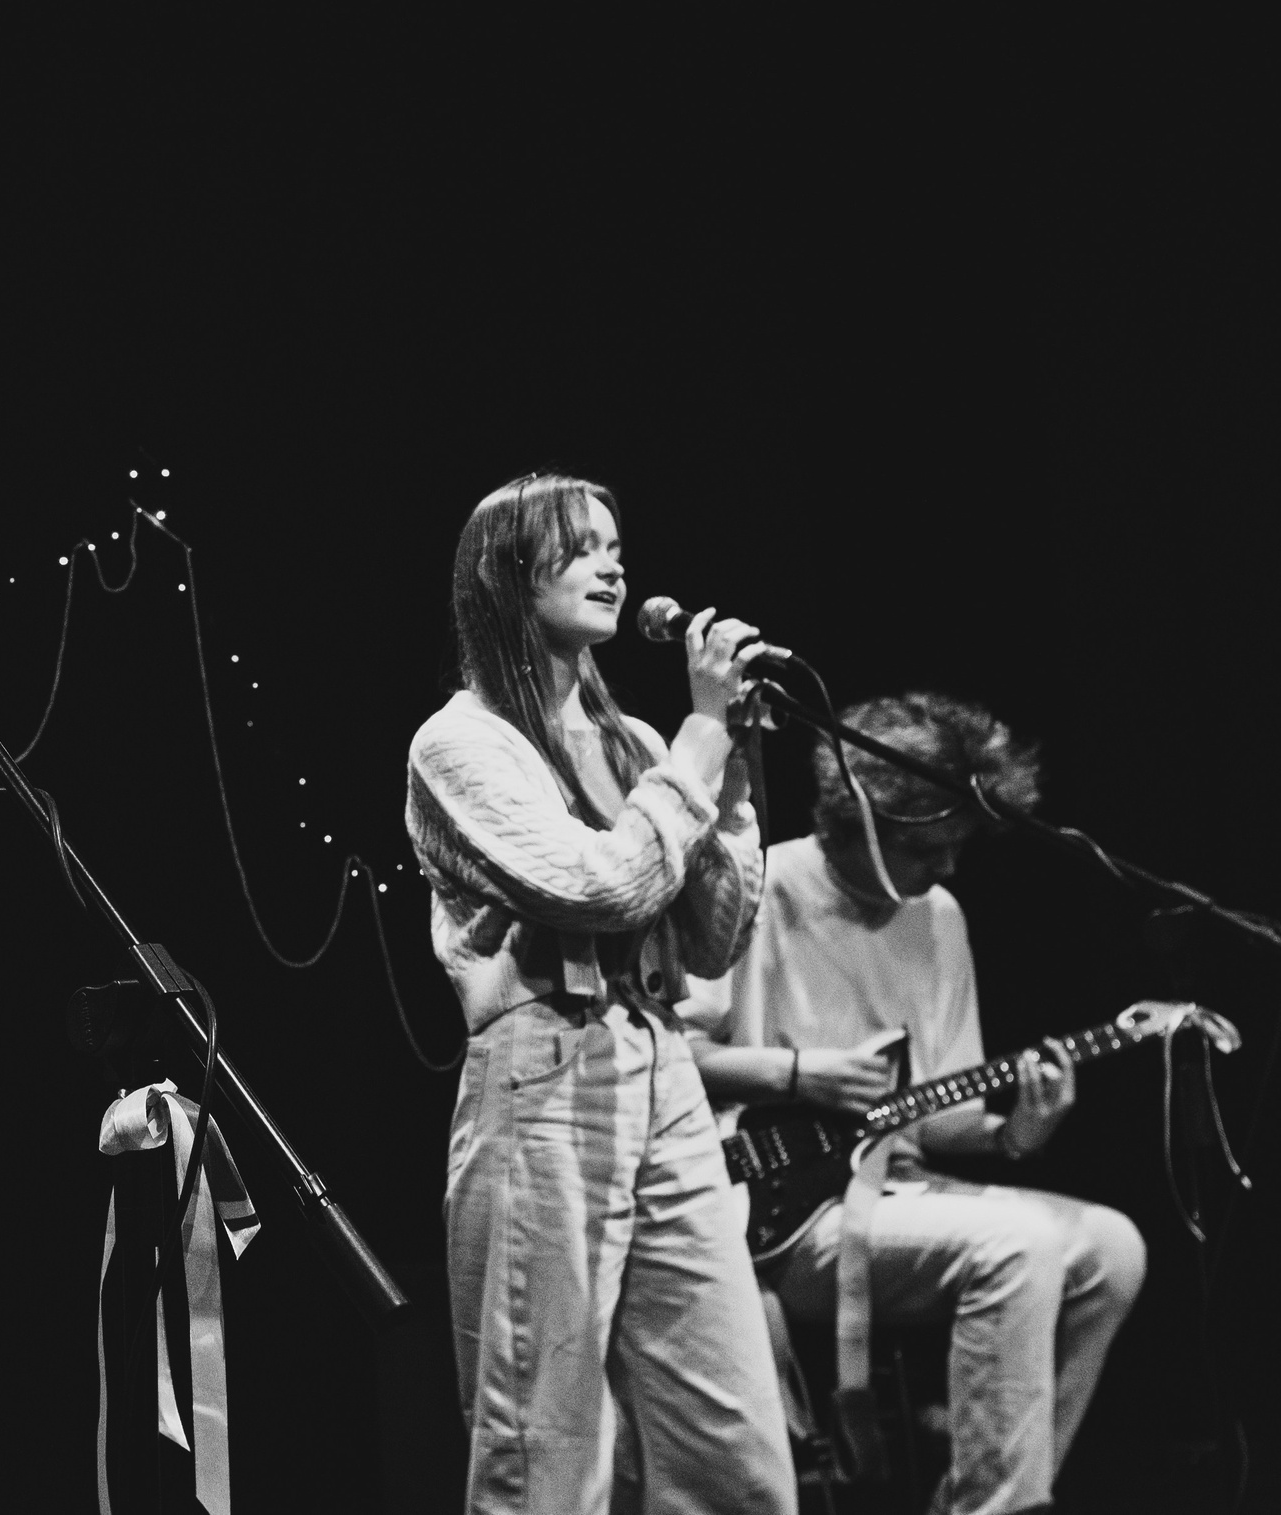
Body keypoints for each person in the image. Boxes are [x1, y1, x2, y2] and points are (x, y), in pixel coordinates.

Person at [406, 472, 796, 1514]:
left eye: (617, 546)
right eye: (581, 548)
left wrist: (737, 783)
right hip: (545, 1072)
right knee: (545, 1448)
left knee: (736, 1455)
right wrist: (703, 745)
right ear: (506, 574)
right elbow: (601, 887)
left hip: (661, 1072)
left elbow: (709, 944)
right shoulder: (460, 744)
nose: (614, 566)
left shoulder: (640, 747)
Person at [680, 692, 1146, 1515]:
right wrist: (797, 1074)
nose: (949, 869)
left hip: (899, 1191)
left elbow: (936, 1116)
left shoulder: (939, 917)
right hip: (777, 1209)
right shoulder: (756, 888)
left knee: (1112, 1249)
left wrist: (1014, 1135)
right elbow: (668, 1055)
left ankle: (984, 1492)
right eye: (931, 848)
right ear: (860, 822)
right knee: (1020, 1247)